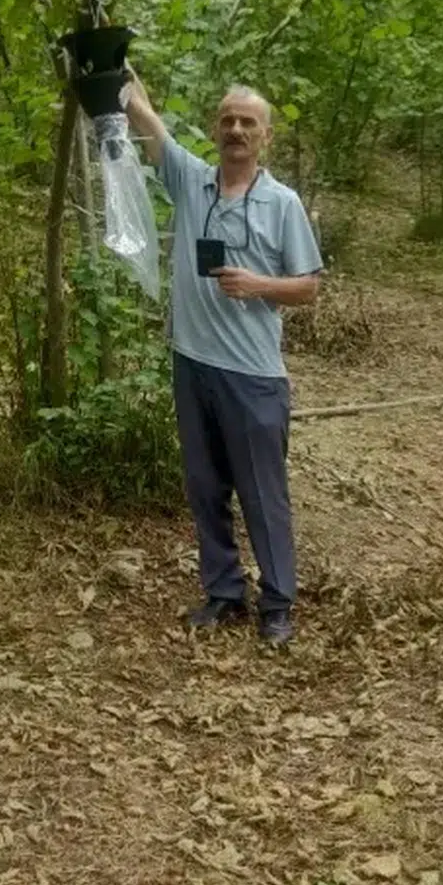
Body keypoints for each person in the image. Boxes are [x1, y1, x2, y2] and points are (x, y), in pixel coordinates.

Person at [122, 74, 323, 646]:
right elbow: (146, 117)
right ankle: (224, 591)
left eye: (248, 123)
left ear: (266, 137)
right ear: (216, 128)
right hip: (192, 363)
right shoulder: (191, 182)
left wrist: (260, 284)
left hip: (254, 375)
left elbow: (308, 288)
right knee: (205, 486)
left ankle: (278, 603)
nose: (235, 130)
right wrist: (116, 59)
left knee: (262, 492)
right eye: (227, 120)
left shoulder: (283, 204)